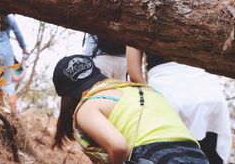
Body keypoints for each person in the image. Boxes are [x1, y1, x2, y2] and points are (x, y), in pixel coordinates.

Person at [52, 55, 209, 164]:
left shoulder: (87, 107)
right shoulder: (145, 90)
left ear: (68, 98)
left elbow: (119, 147)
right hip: (196, 154)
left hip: (153, 155)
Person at [126, 47, 232, 164]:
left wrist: (153, 97)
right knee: (211, 155)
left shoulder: (135, 28)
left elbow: (134, 74)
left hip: (167, 93)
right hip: (209, 92)